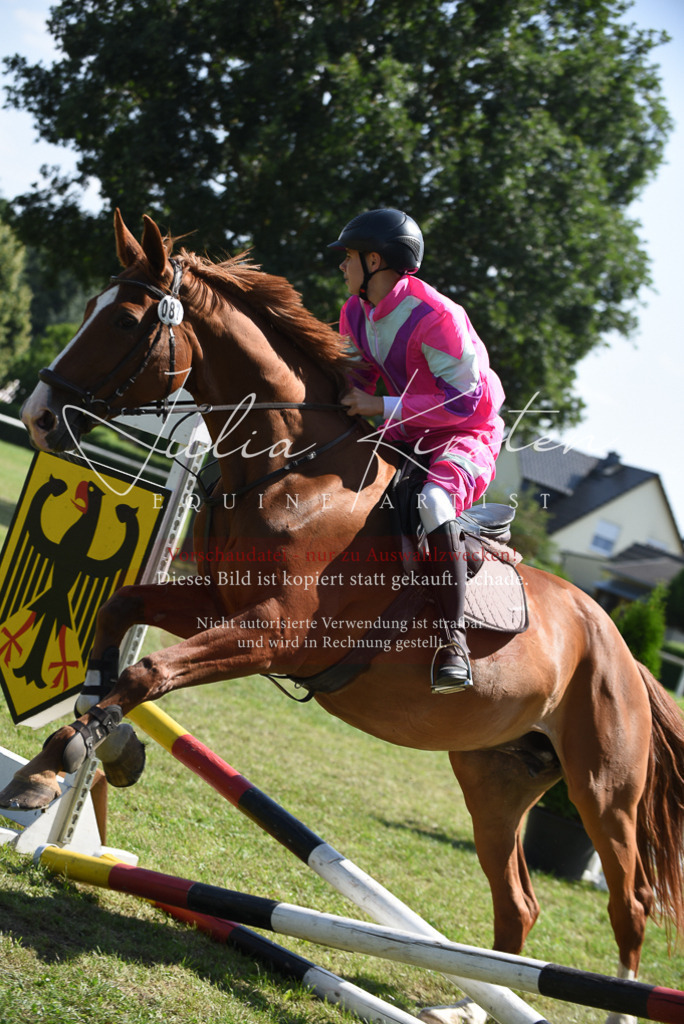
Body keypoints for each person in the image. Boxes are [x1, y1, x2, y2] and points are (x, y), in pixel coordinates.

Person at [328, 208, 505, 694]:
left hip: (467, 434)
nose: (341, 266)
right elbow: (355, 381)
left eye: (348, 257)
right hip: (404, 431)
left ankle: (454, 643)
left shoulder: (438, 317)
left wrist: (380, 404)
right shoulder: (353, 313)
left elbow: (469, 400)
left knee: (433, 502)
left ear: (375, 260)